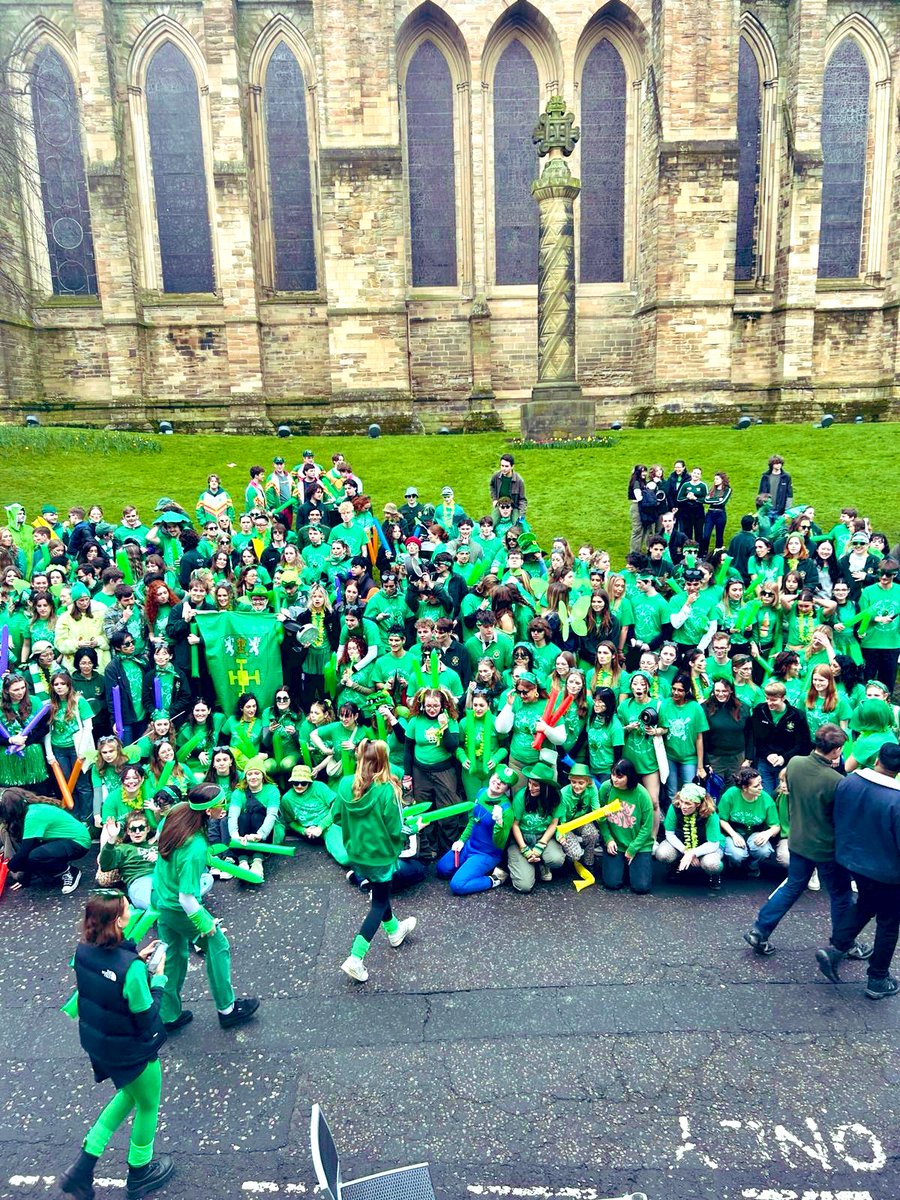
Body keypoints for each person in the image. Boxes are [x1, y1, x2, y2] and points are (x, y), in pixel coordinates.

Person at [59, 890, 173, 1200]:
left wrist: (135, 957)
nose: (131, 909)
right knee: (148, 1105)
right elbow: (147, 1016)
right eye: (126, 908)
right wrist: (159, 980)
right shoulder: (131, 969)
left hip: (102, 1047)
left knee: (128, 1095)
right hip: (132, 1050)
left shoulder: (83, 952)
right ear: (119, 920)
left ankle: (81, 1170)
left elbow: (107, 977)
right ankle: (140, 1174)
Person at [744, 725, 870, 960]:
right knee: (840, 895)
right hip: (826, 847)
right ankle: (845, 944)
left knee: (792, 886)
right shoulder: (836, 780)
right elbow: (842, 818)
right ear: (837, 750)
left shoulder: (795, 764)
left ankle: (760, 930)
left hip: (799, 839)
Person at [151, 784, 259, 1031]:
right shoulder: (195, 846)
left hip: (160, 899)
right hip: (178, 907)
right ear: (209, 810)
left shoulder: (178, 811)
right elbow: (186, 897)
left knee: (174, 957)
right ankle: (227, 1009)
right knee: (218, 945)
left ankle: (168, 1014)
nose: (223, 807)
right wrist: (205, 923)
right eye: (220, 804)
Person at [816, 742, 900, 1000]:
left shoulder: (849, 782)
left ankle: (837, 947)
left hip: (851, 860)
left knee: (866, 903)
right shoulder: (896, 799)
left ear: (877, 760)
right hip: (886, 870)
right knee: (888, 921)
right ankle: (877, 978)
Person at [332, 739, 416, 982]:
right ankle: (355, 958)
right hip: (380, 855)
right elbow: (396, 829)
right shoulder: (387, 789)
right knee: (378, 904)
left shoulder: (346, 783)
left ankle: (395, 931)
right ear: (382, 761)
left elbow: (337, 816)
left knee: (382, 893)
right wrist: (413, 828)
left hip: (356, 854)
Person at [437, 766, 516, 894]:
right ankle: (469, 869)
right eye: (497, 777)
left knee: (457, 885)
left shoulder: (506, 810)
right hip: (469, 846)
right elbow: (473, 821)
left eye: (504, 783)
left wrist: (499, 822)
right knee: (442, 869)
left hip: (486, 854)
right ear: (492, 776)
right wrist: (461, 841)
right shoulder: (481, 792)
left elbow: (500, 843)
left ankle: (495, 879)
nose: (498, 782)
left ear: (507, 789)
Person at [3, 787, 92, 894]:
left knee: (35, 856)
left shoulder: (33, 816)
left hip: (78, 842)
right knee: (33, 856)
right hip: (68, 840)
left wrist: (9, 866)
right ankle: (56, 874)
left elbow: (24, 853)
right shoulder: (32, 809)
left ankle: (70, 871)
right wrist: (24, 881)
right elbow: (29, 850)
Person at [596, 758, 655, 894]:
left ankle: (634, 868)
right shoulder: (606, 788)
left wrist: (633, 849)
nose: (615, 779)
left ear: (629, 776)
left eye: (620, 776)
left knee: (641, 887)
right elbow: (600, 816)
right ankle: (622, 868)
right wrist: (608, 839)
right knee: (612, 883)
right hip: (615, 842)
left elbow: (647, 826)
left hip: (638, 845)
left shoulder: (642, 794)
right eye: (613, 774)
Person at [653, 783, 724, 890]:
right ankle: (675, 865)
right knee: (662, 854)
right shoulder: (675, 807)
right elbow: (669, 834)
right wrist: (686, 851)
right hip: (682, 842)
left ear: (698, 804)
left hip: (707, 847)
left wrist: (693, 853)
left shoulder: (710, 813)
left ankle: (714, 874)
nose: (683, 806)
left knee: (712, 864)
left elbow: (713, 844)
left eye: (688, 804)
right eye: (681, 801)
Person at [717, 766, 781, 876]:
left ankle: (753, 865)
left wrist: (767, 833)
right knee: (737, 854)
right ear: (744, 787)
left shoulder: (766, 799)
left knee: (764, 851)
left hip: (755, 832)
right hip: (734, 831)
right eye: (756, 786)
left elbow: (776, 826)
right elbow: (722, 819)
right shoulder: (730, 794)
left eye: (761, 783)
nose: (761, 788)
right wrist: (733, 835)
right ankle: (735, 864)